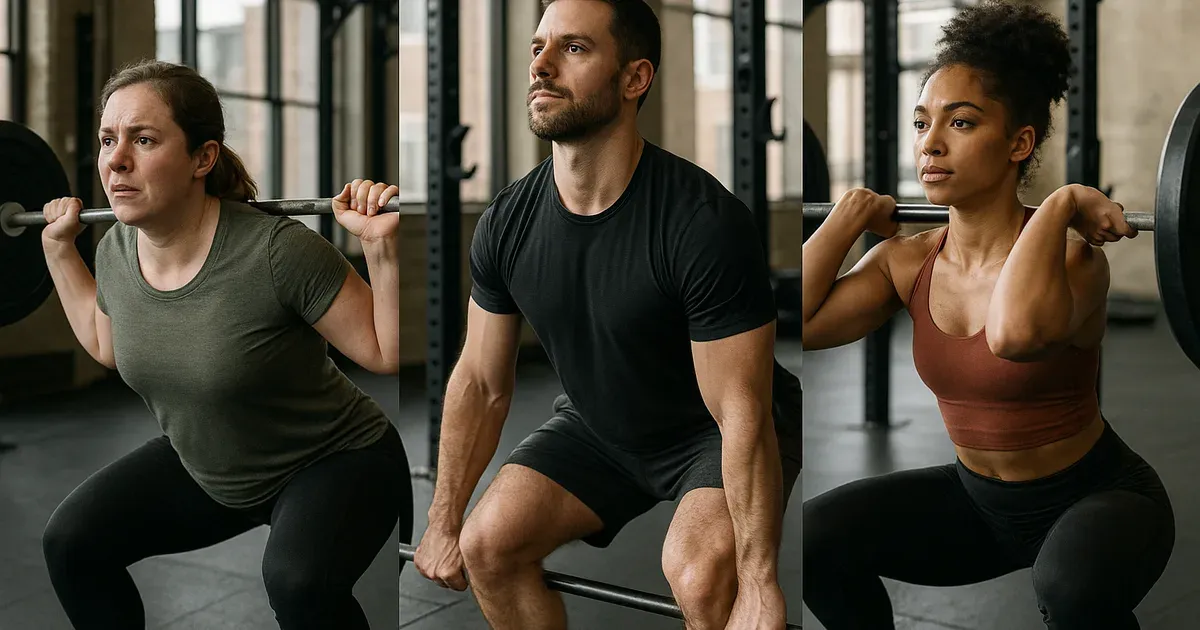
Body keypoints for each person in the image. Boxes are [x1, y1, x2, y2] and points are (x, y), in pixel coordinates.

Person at [410, 0, 803, 628]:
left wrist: (760, 583)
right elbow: (480, 382)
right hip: (601, 425)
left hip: (712, 430)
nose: (540, 64)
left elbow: (742, 413)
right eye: (538, 46)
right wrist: (442, 519)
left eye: (573, 48)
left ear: (634, 79)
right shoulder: (508, 222)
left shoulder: (701, 222)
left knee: (702, 580)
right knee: (488, 548)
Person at [801, 3, 1175, 629]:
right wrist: (844, 222)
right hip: (978, 505)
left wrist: (1059, 204)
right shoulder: (905, 260)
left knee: (1072, 589)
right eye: (922, 123)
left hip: (1096, 499)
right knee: (815, 538)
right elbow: (798, 325)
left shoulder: (1075, 258)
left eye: (962, 122)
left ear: (1018, 143)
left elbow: (1014, 335)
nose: (931, 143)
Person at [36, 59, 412, 630]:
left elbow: (383, 353)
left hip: (334, 459)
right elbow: (107, 345)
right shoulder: (114, 249)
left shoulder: (277, 250)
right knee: (72, 542)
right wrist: (60, 252)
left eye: (143, 139)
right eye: (108, 139)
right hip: (212, 466)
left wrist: (381, 251)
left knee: (298, 583)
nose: (115, 160)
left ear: (202, 158)